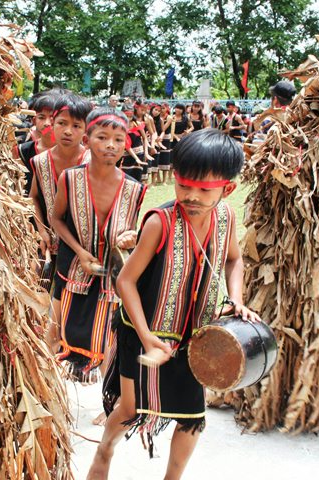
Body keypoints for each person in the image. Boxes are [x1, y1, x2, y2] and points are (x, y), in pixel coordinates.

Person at [87, 129, 261, 480]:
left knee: (192, 415)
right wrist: (148, 336)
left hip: (195, 335)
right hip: (143, 329)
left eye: (204, 190)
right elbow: (125, 281)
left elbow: (234, 260)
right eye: (184, 186)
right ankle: (104, 453)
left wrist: (236, 300)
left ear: (227, 189)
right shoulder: (159, 222)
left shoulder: (225, 217)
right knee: (132, 406)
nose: (191, 196)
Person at [51, 107, 147, 383]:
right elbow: (57, 219)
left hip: (113, 277)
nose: (110, 145)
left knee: (109, 338)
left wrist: (130, 237)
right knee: (58, 329)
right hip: (74, 270)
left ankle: (109, 403)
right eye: (102, 137)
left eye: (118, 139)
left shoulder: (135, 189)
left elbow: (131, 232)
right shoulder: (70, 178)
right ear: (87, 140)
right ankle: (48, 388)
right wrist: (80, 252)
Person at [30, 92, 92, 351]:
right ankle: (41, 342)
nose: (68, 131)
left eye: (76, 125)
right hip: (50, 241)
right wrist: (41, 228)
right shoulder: (40, 161)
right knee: (43, 290)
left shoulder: (91, 161)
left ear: (85, 130)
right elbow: (33, 197)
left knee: (76, 297)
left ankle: (75, 350)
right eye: (62, 123)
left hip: (83, 243)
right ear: (51, 125)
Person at [14, 90, 59, 195]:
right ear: (34, 121)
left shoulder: (69, 151)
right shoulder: (21, 151)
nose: (47, 123)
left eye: (52, 118)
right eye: (42, 118)